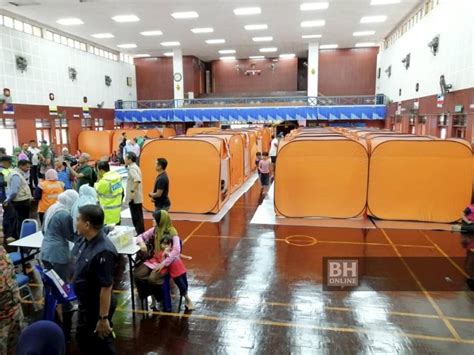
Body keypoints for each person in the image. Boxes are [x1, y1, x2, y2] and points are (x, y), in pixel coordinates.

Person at [73, 205, 118, 355]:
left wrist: (103, 318)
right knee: (83, 340)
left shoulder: (103, 251)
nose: (75, 222)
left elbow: (106, 287)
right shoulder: (85, 240)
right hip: (85, 304)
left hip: (96, 308)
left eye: (78, 219)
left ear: (87, 224)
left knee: (100, 343)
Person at [40, 189, 78, 339]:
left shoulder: (52, 207)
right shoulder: (65, 214)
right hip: (58, 254)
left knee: (51, 282)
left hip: (45, 250)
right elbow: (71, 235)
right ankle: (66, 308)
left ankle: (51, 306)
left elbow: (43, 230)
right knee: (62, 283)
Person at [134, 210, 177, 304]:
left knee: (152, 279)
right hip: (155, 260)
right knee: (138, 275)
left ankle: (159, 297)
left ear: (160, 220)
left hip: (166, 261)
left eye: (154, 219)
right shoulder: (155, 229)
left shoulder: (172, 232)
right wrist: (142, 243)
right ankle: (150, 295)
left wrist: (163, 263)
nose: (152, 221)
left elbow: (176, 250)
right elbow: (140, 236)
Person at [155, 235, 194, 310]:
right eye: (163, 244)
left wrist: (187, 257)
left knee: (185, 285)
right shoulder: (163, 253)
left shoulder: (173, 251)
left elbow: (180, 255)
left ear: (171, 244)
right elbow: (163, 263)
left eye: (168, 244)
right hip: (175, 274)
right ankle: (188, 300)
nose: (165, 246)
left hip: (182, 270)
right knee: (182, 286)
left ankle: (186, 300)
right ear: (160, 244)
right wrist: (164, 254)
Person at [0, 246, 25, 354]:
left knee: (19, 347)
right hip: (1, 322)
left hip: (15, 313)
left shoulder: (1, 250)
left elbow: (12, 274)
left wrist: (17, 295)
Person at [3, 159, 32, 238]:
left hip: (20, 201)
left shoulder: (18, 174)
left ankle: (20, 237)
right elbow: (14, 191)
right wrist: (7, 200)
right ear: (21, 166)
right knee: (21, 222)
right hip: (20, 202)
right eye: (27, 167)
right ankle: (21, 238)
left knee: (20, 221)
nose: (28, 169)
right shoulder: (16, 175)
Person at [95, 161, 123, 226]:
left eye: (97, 170)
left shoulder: (104, 182)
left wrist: (98, 178)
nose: (97, 172)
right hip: (117, 212)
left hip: (107, 215)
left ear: (101, 170)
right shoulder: (117, 177)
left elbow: (96, 190)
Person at [124, 152, 144, 235]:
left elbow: (137, 180)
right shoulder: (135, 167)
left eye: (126, 158)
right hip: (137, 197)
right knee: (138, 217)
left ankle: (140, 235)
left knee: (136, 218)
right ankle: (141, 234)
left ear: (130, 159)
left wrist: (132, 193)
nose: (124, 159)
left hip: (134, 198)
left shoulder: (132, 168)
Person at [0, 155, 16, 243]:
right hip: (4, 197)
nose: (10, 165)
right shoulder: (2, 170)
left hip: (7, 196)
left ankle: (9, 234)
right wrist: (9, 182)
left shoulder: (6, 169)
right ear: (6, 162)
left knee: (9, 215)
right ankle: (8, 235)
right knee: (8, 216)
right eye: (10, 163)